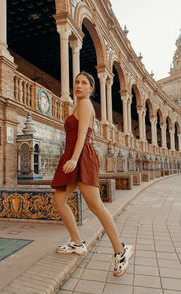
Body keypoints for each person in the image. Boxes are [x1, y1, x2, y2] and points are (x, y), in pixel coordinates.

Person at [51, 71, 134, 276]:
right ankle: (77, 243)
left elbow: (82, 136)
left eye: (84, 83)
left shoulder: (86, 104)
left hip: (81, 158)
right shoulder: (77, 105)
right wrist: (69, 158)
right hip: (73, 156)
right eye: (76, 82)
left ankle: (121, 251)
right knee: (59, 201)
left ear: (91, 89)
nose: (79, 86)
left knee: (96, 206)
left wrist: (73, 159)